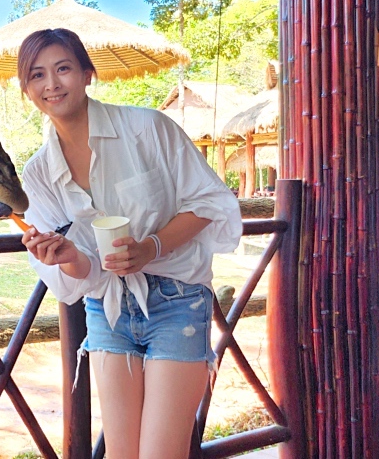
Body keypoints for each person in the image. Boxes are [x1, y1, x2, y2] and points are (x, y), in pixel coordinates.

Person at [16, 29, 241, 459]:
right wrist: (68, 258)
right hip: (108, 310)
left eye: (63, 69)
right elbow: (79, 277)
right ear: (26, 89)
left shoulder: (147, 129)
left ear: (86, 74)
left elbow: (211, 203)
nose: (52, 84)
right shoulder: (40, 173)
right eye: (37, 75)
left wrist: (150, 247)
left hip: (178, 303)